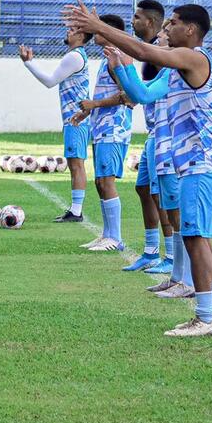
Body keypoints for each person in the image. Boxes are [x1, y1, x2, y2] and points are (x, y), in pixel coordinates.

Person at [66, 2, 212, 337]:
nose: (166, 28)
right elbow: (141, 94)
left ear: (191, 30)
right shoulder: (176, 68)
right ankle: (209, 311)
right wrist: (122, 67)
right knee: (195, 235)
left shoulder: (195, 57)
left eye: (173, 23)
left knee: (198, 237)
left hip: (203, 162)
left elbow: (143, 50)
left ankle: (207, 315)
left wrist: (98, 27)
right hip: (191, 163)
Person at [69, 14, 133, 251]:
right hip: (102, 128)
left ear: (107, 31)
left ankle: (115, 238)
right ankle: (107, 234)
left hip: (114, 129)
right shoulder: (107, 58)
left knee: (107, 181)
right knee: (99, 181)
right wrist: (87, 112)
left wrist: (94, 106)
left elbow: (128, 95)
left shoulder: (117, 58)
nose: (93, 34)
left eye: (96, 30)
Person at [19, 29, 92, 223]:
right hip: (75, 119)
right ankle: (75, 209)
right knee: (74, 163)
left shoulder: (74, 57)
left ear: (81, 36)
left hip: (76, 119)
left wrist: (28, 63)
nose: (68, 31)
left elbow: (50, 81)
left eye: (74, 29)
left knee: (76, 164)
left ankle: (76, 211)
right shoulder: (76, 56)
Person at [122, 0, 174, 273]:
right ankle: (152, 251)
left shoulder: (165, 60)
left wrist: (123, 66)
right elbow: (139, 92)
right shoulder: (158, 61)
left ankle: (171, 257)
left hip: (167, 137)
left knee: (161, 197)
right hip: (155, 134)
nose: (132, 21)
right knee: (144, 189)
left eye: (137, 17)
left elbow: (142, 94)